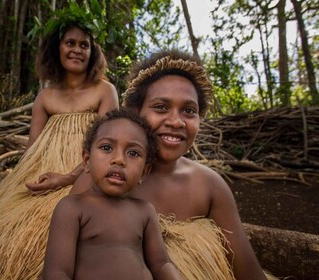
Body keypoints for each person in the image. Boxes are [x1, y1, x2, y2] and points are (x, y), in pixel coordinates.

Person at [30, 49, 274, 280]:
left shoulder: (210, 186)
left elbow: (248, 271)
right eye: (160, 107)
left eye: (189, 111)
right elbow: (60, 266)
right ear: (136, 112)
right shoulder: (95, 183)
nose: (176, 121)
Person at [0, 11, 118, 280]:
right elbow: (33, 146)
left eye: (84, 45)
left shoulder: (105, 90)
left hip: (88, 172)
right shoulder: (45, 96)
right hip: (44, 168)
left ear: (93, 52)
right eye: (70, 43)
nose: (77, 50)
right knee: (9, 230)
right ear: (57, 49)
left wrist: (68, 177)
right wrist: (26, 179)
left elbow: (108, 145)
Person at [43, 109, 182, 280]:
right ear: (87, 161)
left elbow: (161, 264)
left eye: (133, 153)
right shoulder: (72, 208)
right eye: (107, 147)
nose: (119, 159)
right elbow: (57, 272)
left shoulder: (144, 211)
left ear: (144, 172)